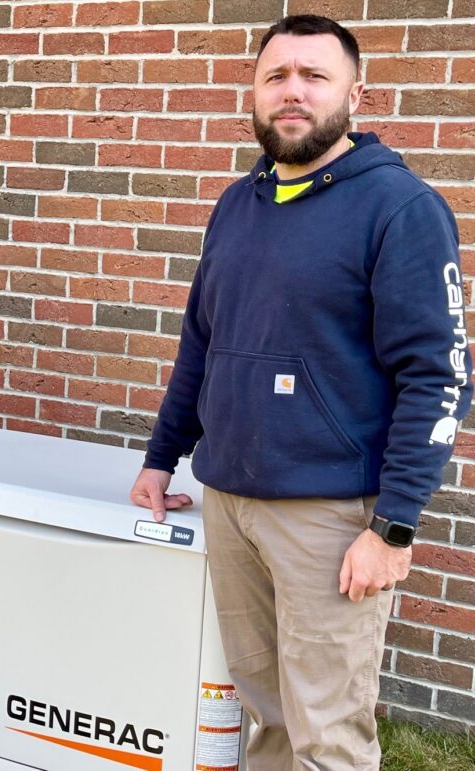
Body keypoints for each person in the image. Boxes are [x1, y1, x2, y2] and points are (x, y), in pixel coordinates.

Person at [129, 15, 470, 770]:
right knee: (267, 712)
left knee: (327, 734)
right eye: (276, 76)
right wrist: (161, 457)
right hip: (230, 500)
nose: (293, 91)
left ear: (355, 95)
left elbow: (439, 376)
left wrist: (393, 529)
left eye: (315, 76)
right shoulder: (236, 204)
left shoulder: (401, 209)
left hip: (329, 518)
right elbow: (201, 344)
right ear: (253, 93)